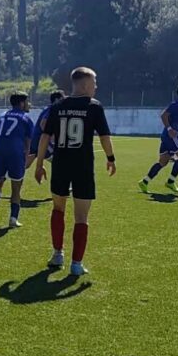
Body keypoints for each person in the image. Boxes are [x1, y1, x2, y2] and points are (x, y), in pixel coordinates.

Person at [36, 68, 117, 277]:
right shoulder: (94, 107)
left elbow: (45, 137)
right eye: (94, 82)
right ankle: (76, 264)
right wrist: (111, 158)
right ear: (84, 84)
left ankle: (57, 254)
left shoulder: (57, 106)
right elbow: (104, 137)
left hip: (60, 165)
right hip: (83, 167)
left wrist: (39, 164)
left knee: (58, 209)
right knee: (81, 216)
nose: (96, 86)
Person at [0, 92, 39, 230]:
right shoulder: (26, 118)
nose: (29, 104)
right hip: (15, 152)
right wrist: (26, 158)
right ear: (21, 103)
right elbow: (28, 142)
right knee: (16, 188)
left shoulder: (1, 116)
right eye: (27, 102)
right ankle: (13, 219)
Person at [140, 83, 178, 191]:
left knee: (163, 162)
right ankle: (170, 182)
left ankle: (144, 182)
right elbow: (164, 116)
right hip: (172, 137)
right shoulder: (176, 104)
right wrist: (170, 129)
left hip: (168, 137)